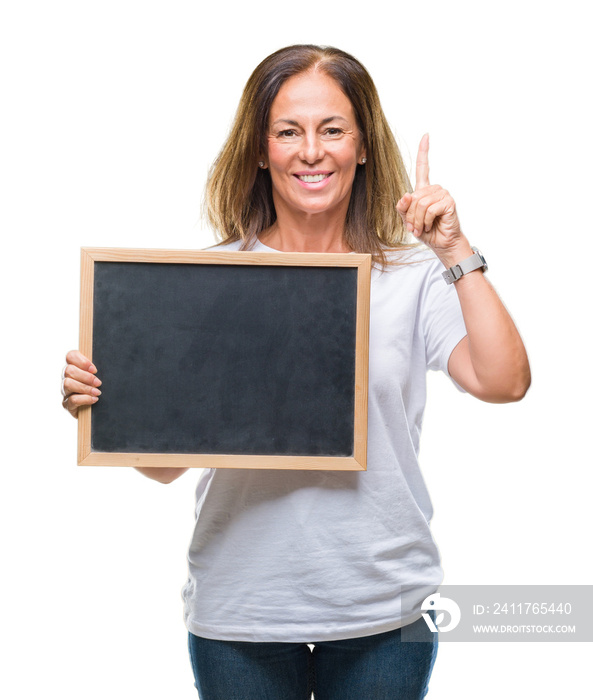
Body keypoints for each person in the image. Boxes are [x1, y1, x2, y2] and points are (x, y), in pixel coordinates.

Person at [62, 45, 531, 700]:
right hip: (244, 605)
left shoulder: (414, 276)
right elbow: (166, 465)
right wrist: (113, 402)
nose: (311, 151)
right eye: (288, 131)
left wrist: (453, 249)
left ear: (362, 146)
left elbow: (503, 382)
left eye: (331, 129)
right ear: (261, 150)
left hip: (384, 606)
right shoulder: (209, 281)